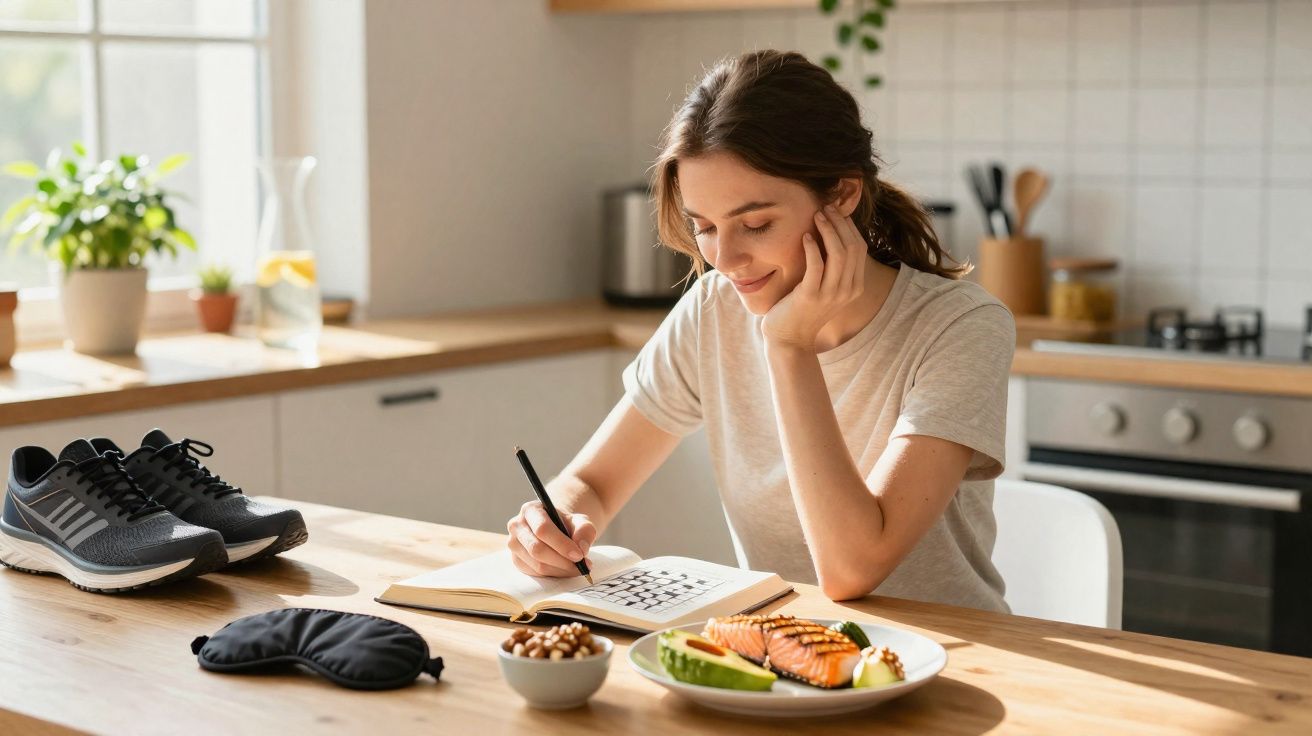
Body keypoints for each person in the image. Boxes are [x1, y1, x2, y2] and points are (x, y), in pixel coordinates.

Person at [506, 49, 1015, 611]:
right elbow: (594, 484)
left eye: (756, 224)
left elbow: (851, 570)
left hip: (955, 658)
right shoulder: (713, 311)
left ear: (843, 195)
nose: (725, 258)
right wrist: (553, 520)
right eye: (704, 227)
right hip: (778, 657)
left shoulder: (961, 327)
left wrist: (789, 345)